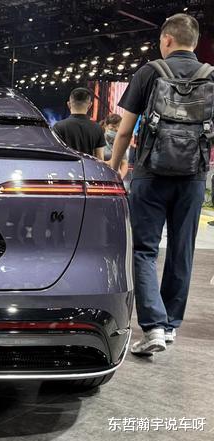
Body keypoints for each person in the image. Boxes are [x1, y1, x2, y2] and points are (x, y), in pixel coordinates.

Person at [109, 13, 213, 355]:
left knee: (143, 250)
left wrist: (115, 166)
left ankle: (152, 326)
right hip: (193, 176)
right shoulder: (211, 76)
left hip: (150, 174)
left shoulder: (149, 72)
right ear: (194, 42)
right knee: (182, 251)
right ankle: (169, 327)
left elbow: (125, 130)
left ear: (166, 40)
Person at [53, 88, 106, 160]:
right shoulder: (97, 128)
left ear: (69, 104)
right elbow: (100, 158)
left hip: (66, 166)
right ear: (90, 105)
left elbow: (55, 154)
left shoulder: (58, 127)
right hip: (89, 166)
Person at [100, 113, 129, 178]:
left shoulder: (120, 143)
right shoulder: (99, 139)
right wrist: (112, 162)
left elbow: (124, 163)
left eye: (118, 127)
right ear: (105, 126)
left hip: (115, 177)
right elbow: (96, 161)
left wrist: (121, 178)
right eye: (113, 126)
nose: (116, 129)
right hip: (101, 175)